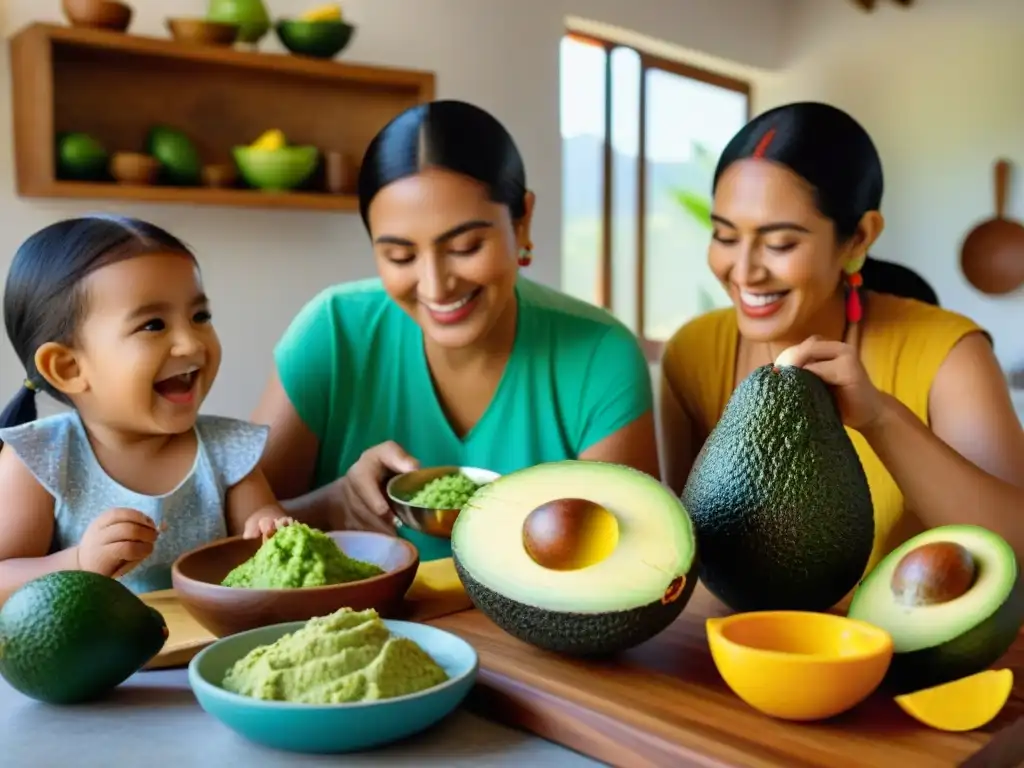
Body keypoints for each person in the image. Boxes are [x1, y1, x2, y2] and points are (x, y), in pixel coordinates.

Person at [252, 99, 658, 561]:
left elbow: (631, 562)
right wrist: (334, 504)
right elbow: (233, 538)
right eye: (400, 256)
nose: (435, 285)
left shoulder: (601, 355)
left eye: (465, 246)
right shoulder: (331, 333)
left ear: (522, 220)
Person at [659, 101, 1024, 568]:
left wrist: (881, 419)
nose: (744, 270)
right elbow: (684, 548)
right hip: (732, 637)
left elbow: (1015, 548)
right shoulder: (692, 353)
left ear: (859, 238)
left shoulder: (951, 354)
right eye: (725, 237)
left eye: (780, 243)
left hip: (894, 637)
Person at [0, 215, 291, 599]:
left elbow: (256, 534)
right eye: (153, 325)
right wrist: (79, 562)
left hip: (209, 652)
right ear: (68, 368)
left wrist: (269, 527)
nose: (191, 343)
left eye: (199, 316)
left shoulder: (228, 449)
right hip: (98, 656)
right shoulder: (42, 458)